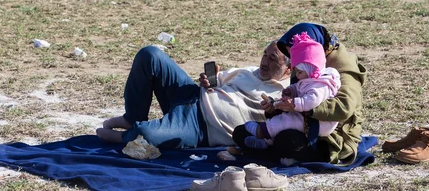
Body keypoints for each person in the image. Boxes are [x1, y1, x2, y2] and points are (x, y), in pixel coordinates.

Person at [96, 42, 291, 148]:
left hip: (199, 127)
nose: (264, 61)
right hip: (191, 94)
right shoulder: (249, 71)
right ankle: (132, 118)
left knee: (147, 134)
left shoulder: (286, 94)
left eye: (272, 59)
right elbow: (213, 81)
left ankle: (125, 137)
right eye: (264, 54)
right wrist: (207, 79)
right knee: (150, 55)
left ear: (288, 69)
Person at [233, 23, 366, 165]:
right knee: (241, 132)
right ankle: (277, 153)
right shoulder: (303, 62)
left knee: (286, 140)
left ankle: (275, 152)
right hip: (299, 123)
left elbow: (343, 108)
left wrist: (302, 106)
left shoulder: (342, 65)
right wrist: (276, 106)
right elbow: (296, 94)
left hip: (331, 135)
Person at [237, 33, 340, 151]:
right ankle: (266, 142)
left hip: (319, 124)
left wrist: (294, 104)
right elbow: (299, 87)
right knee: (243, 132)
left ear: (311, 68)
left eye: (299, 72)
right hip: (302, 116)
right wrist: (290, 91)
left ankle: (262, 132)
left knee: (286, 124)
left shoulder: (321, 84)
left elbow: (312, 100)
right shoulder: (307, 78)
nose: (297, 75)